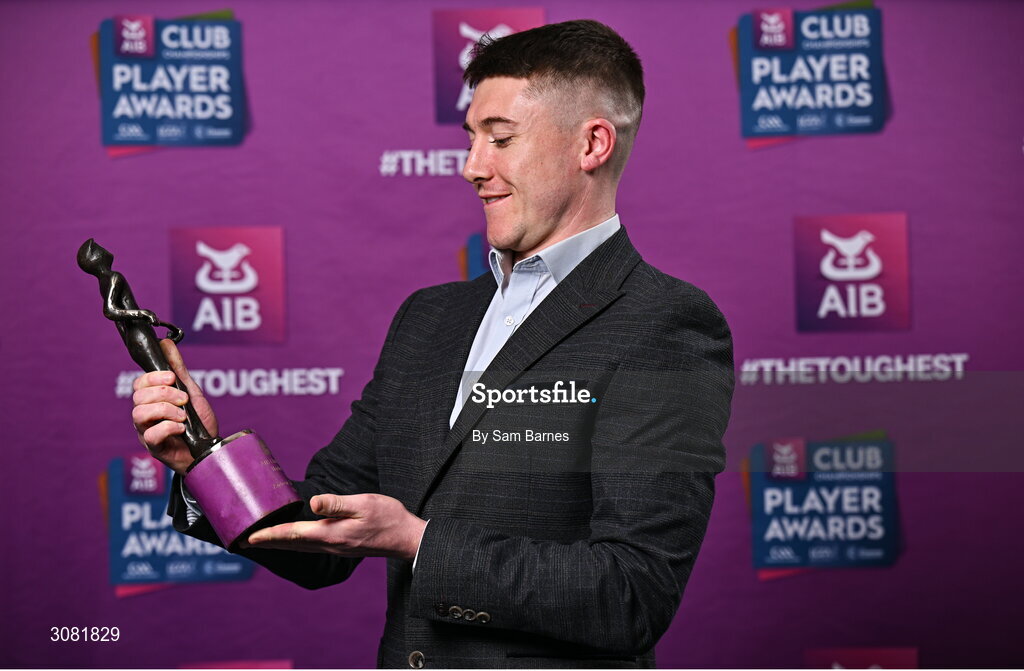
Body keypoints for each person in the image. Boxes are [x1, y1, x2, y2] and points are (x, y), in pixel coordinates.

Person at [132, 19, 733, 668]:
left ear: (592, 143)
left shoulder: (663, 322)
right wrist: (203, 460)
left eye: (501, 139)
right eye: (472, 139)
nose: (473, 168)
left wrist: (418, 541)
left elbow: (630, 593)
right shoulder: (430, 318)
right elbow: (328, 519)